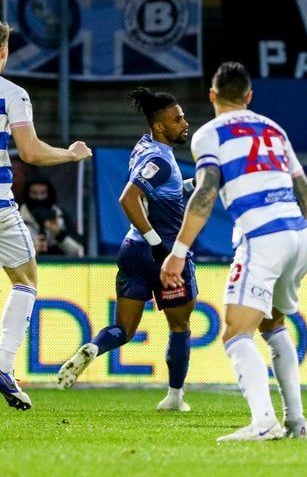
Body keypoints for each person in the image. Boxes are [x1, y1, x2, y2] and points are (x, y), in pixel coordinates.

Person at [161, 62, 307, 443]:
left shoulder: (208, 135)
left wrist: (178, 251)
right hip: (300, 235)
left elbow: (205, 194)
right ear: (249, 97)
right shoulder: (274, 129)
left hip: (264, 237)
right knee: (274, 326)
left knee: (236, 332)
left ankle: (262, 421)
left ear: (212, 96)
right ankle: (296, 421)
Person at [57, 88, 196, 412]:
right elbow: (129, 198)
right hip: (163, 254)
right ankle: (174, 398)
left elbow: (160, 192)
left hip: (132, 249)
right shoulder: (160, 160)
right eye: (178, 119)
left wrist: (192, 185)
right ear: (160, 127)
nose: (185, 123)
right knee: (179, 327)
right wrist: (160, 248)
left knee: (124, 329)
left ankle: (93, 346)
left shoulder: (145, 147)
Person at [0, 20, 92, 411]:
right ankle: (2, 363)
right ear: (4, 52)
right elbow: (32, 152)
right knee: (26, 278)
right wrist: (71, 154)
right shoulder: (11, 94)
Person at [19, 176, 84, 257]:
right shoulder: (16, 217)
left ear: (49, 193)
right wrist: (32, 251)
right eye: (34, 193)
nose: (39, 198)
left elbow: (77, 250)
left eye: (43, 193)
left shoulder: (60, 215)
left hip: (58, 266)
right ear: (27, 194)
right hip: (28, 267)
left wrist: (59, 234)